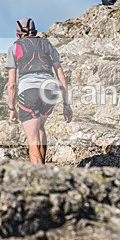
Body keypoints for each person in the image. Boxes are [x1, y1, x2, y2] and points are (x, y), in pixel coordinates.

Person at [6, 18, 73, 164]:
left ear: (17, 35)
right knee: (40, 126)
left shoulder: (14, 48)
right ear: (36, 31)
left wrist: (11, 108)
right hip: (50, 92)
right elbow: (61, 77)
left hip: (29, 92)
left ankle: (39, 178)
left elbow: (12, 84)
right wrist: (66, 104)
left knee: (32, 141)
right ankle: (43, 168)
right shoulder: (47, 44)